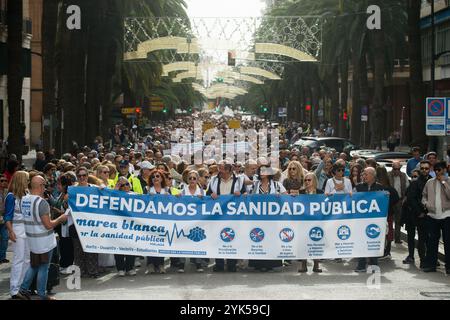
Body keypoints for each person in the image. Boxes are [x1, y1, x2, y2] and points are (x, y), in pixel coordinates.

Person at [17, 176, 67, 300]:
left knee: (34, 266)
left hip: (32, 240)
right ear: (41, 186)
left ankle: (23, 290)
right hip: (44, 241)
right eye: (44, 185)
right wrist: (61, 219)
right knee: (44, 267)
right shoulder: (41, 202)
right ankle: (42, 295)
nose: (45, 187)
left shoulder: (24, 200)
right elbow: (48, 225)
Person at [207, 160, 246, 272]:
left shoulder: (239, 180)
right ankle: (219, 264)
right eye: (219, 167)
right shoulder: (213, 180)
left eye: (222, 168)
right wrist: (211, 195)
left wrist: (241, 194)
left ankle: (231, 264)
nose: (219, 169)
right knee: (217, 238)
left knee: (232, 237)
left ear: (229, 169)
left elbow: (245, 194)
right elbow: (207, 194)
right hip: (218, 214)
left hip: (233, 215)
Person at [248, 166, 287, 272]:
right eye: (260, 171)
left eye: (264, 171)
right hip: (257, 218)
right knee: (258, 238)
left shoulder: (277, 185)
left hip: (272, 218)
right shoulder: (255, 185)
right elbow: (249, 198)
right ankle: (258, 263)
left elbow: (286, 198)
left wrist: (280, 197)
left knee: (271, 239)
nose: (262, 172)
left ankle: (270, 263)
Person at [4, 171, 30, 299]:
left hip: (28, 230)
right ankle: (14, 289)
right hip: (18, 229)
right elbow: (7, 216)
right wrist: (11, 231)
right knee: (18, 259)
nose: (28, 181)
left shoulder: (27, 194)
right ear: (21, 180)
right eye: (27, 179)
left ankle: (22, 287)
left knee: (27, 259)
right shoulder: (11, 196)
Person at [421, 161, 450, 275]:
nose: (437, 172)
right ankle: (431, 265)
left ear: (444, 170)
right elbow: (424, 196)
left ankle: (448, 267)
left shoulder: (448, 181)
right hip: (432, 216)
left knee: (448, 242)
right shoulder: (429, 182)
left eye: (439, 170)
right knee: (432, 242)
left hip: (447, 215)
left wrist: (443, 181)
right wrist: (426, 204)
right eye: (435, 170)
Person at [354, 167, 385, 272]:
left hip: (374, 221)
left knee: (373, 242)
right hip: (361, 221)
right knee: (361, 242)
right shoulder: (358, 187)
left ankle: (374, 265)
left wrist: (386, 196)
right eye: (363, 174)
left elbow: (387, 201)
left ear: (373, 175)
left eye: (366, 174)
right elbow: (351, 200)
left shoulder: (380, 188)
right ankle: (361, 265)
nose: (364, 176)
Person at [403, 161, 431, 267]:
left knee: (425, 238)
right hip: (415, 214)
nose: (424, 170)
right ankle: (421, 260)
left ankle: (427, 259)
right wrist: (419, 212)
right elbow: (411, 199)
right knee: (417, 237)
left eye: (426, 168)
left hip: (429, 214)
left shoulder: (432, 181)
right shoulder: (415, 183)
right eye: (422, 168)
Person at [146, 169, 171, 274]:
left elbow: (172, 203)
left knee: (161, 242)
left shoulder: (167, 190)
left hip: (162, 220)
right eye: (153, 177)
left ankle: (160, 264)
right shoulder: (147, 189)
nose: (155, 178)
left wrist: (169, 197)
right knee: (150, 242)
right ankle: (150, 264)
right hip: (150, 220)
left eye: (158, 176)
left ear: (162, 178)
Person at [180, 170, 206, 273]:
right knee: (183, 241)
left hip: (198, 221)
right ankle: (181, 264)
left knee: (197, 241)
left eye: (194, 178)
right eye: (190, 178)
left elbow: (208, 204)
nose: (192, 180)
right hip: (185, 220)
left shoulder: (202, 192)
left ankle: (198, 263)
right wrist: (178, 198)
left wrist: (204, 199)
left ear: (198, 179)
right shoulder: (182, 191)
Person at [299, 173, 323, 273]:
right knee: (303, 243)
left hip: (317, 221)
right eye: (305, 180)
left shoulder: (320, 192)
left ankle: (316, 265)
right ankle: (303, 264)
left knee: (316, 242)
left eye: (309, 180)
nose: (307, 182)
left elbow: (326, 203)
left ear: (314, 181)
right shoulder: (301, 192)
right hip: (304, 221)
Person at [114, 177, 137, 276]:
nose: (125, 186)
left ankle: (130, 268)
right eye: (122, 185)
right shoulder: (114, 195)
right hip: (118, 225)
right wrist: (115, 189)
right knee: (118, 248)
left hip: (131, 226)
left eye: (127, 184)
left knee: (131, 246)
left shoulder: (135, 195)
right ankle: (120, 268)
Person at [376, 166, 400, 260]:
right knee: (388, 231)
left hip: (379, 215)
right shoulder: (390, 189)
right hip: (388, 213)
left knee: (381, 232)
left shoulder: (376, 189)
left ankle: (382, 251)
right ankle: (387, 250)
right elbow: (396, 201)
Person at [388, 161, 409, 244]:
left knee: (398, 220)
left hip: (399, 200)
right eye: (394, 169)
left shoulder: (403, 176)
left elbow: (407, 187)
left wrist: (405, 198)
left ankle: (397, 238)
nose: (396, 170)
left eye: (398, 169)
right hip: (390, 200)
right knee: (389, 219)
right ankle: (389, 238)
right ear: (392, 168)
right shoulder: (388, 175)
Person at [0, 174, 9, 264]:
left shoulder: (7, 192)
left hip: (4, 218)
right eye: (1, 181)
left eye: (5, 181)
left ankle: (2, 257)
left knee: (5, 238)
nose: (4, 182)